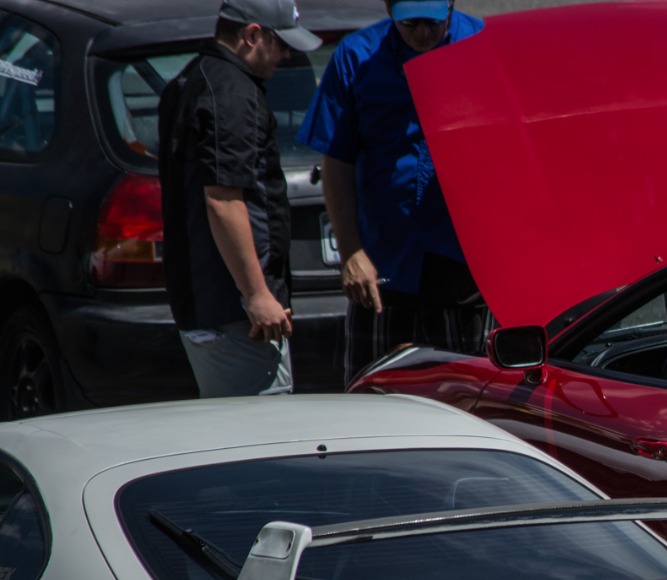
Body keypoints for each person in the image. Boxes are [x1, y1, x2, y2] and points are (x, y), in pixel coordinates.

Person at [297, 0, 487, 386]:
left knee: (470, 404)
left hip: (466, 268)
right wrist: (350, 251)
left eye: (432, 23)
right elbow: (337, 159)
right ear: (388, 9)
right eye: (410, 24)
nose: (423, 34)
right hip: (385, 267)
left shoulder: (483, 45)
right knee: (377, 402)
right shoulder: (357, 57)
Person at [158, 0, 318, 397]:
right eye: (281, 43)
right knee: (263, 438)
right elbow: (223, 200)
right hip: (234, 311)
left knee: (238, 432)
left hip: (214, 302)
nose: (285, 55)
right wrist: (258, 294)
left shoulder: (196, 77)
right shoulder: (230, 91)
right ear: (251, 35)